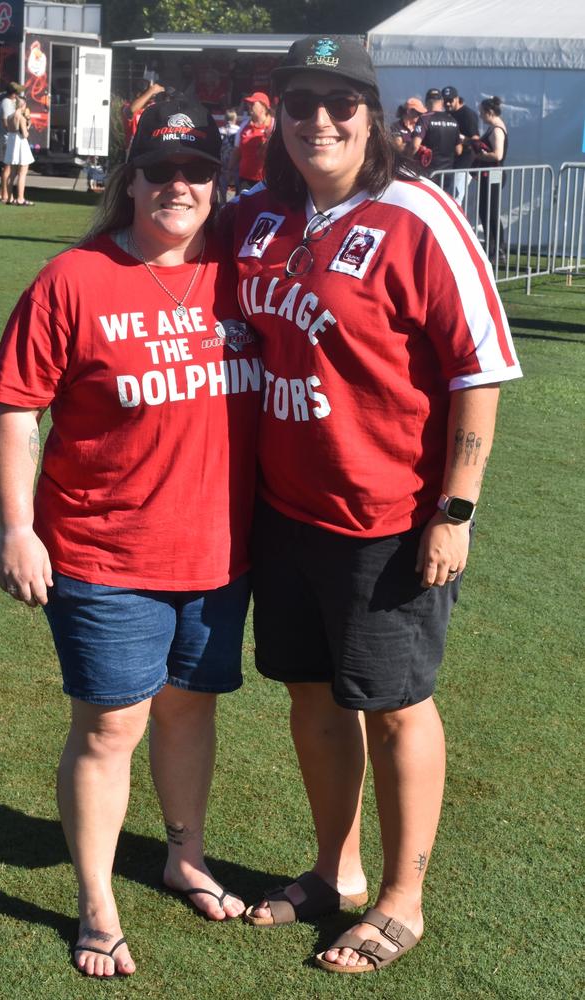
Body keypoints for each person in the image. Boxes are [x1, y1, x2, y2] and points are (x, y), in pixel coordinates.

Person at [229, 35, 522, 974]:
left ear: (373, 113)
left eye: (340, 102)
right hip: (283, 510)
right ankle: (334, 870)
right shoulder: (259, 216)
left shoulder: (419, 215)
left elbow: (480, 370)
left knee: (397, 706)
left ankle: (404, 898)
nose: (320, 119)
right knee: (311, 697)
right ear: (278, 114)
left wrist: (457, 507)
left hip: (389, 517)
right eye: (301, 101)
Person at [0, 95, 261, 979]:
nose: (179, 186)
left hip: (219, 552)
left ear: (218, 185)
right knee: (111, 727)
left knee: (189, 709)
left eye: (198, 172)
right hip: (103, 553)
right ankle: (97, 903)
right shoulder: (75, 277)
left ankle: (184, 854)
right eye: (162, 169)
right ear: (129, 178)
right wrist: (17, 528)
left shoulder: (238, 272)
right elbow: (18, 412)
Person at [473, 96, 509, 265]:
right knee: (484, 211)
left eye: (482, 113)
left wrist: (481, 155)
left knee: (491, 211)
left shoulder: (497, 130)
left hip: (494, 174)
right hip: (488, 175)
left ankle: (498, 249)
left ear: (489, 112)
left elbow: (498, 155)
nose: (480, 116)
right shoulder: (492, 128)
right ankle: (491, 246)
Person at [411, 87, 462, 191]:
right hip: (447, 174)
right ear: (442, 102)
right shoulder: (453, 120)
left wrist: (406, 157)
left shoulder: (424, 118)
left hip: (428, 173)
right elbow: (459, 150)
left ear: (426, 103)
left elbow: (415, 145)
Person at [441, 85, 480, 205]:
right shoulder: (447, 114)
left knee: (455, 199)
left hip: (464, 163)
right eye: (445, 101)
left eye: (450, 100)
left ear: (457, 99)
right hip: (450, 162)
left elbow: (476, 141)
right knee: (445, 197)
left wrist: (461, 139)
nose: (447, 104)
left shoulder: (468, 115)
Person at [229, 91, 274, 190]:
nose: (249, 105)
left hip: (268, 180)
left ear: (263, 107)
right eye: (249, 103)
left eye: (253, 103)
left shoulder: (274, 126)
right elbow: (237, 151)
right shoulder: (244, 125)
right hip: (245, 179)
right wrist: (229, 171)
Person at [0, 82, 25, 203]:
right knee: (7, 168)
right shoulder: (7, 103)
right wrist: (19, 127)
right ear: (14, 93)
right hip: (8, 138)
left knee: (8, 167)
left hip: (9, 138)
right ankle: (4, 195)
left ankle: (2, 193)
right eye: (18, 92)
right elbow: (6, 122)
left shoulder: (7, 102)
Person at [4, 96, 35, 205]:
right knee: (22, 173)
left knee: (12, 173)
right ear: (23, 106)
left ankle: (9, 198)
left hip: (12, 143)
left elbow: (9, 129)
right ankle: (20, 198)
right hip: (21, 144)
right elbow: (25, 134)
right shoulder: (21, 118)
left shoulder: (9, 117)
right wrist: (28, 124)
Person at [122, 77, 166, 150]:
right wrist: (151, 91)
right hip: (135, 148)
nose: (152, 96)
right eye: (148, 93)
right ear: (138, 94)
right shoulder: (127, 107)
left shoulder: (152, 107)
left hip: (150, 147)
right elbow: (131, 110)